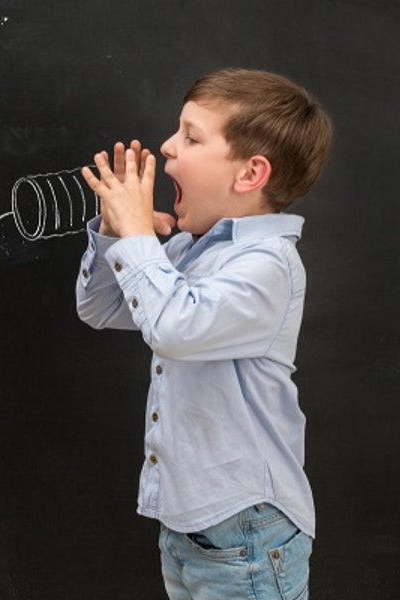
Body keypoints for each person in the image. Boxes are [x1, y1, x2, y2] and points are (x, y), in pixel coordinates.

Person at [76, 68, 332, 599]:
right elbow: (99, 307)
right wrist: (114, 233)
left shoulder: (268, 264)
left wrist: (142, 241)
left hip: (248, 532)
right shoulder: (193, 249)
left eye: (191, 137)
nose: (167, 147)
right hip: (192, 529)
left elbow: (174, 326)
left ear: (250, 174)